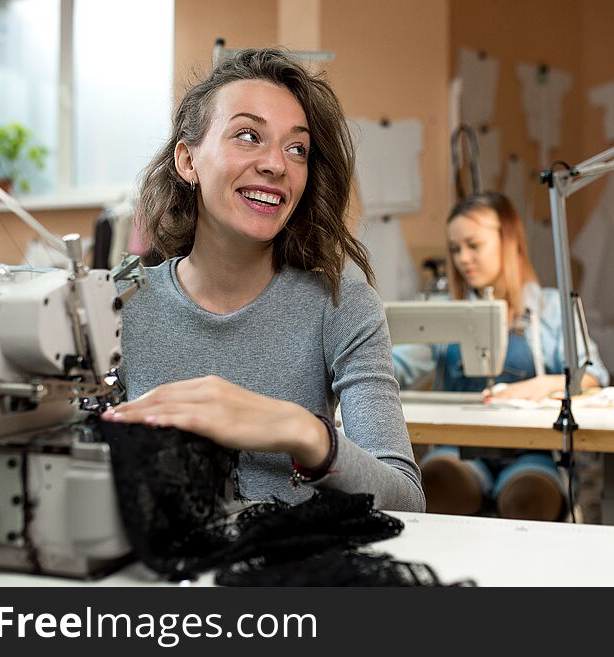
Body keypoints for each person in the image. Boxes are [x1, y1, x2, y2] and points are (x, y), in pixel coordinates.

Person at [102, 48, 424, 513]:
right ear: (187, 161)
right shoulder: (116, 303)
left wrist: (303, 432)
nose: (277, 164)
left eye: (297, 149)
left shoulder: (341, 304)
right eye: (249, 136)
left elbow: (406, 500)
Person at [393, 192, 608, 520]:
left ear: (508, 241)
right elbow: (400, 365)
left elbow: (593, 377)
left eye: (473, 245)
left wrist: (541, 385)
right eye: (455, 249)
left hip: (534, 451)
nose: (463, 258)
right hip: (458, 447)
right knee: (437, 483)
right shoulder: (446, 313)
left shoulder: (551, 309)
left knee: (529, 500)